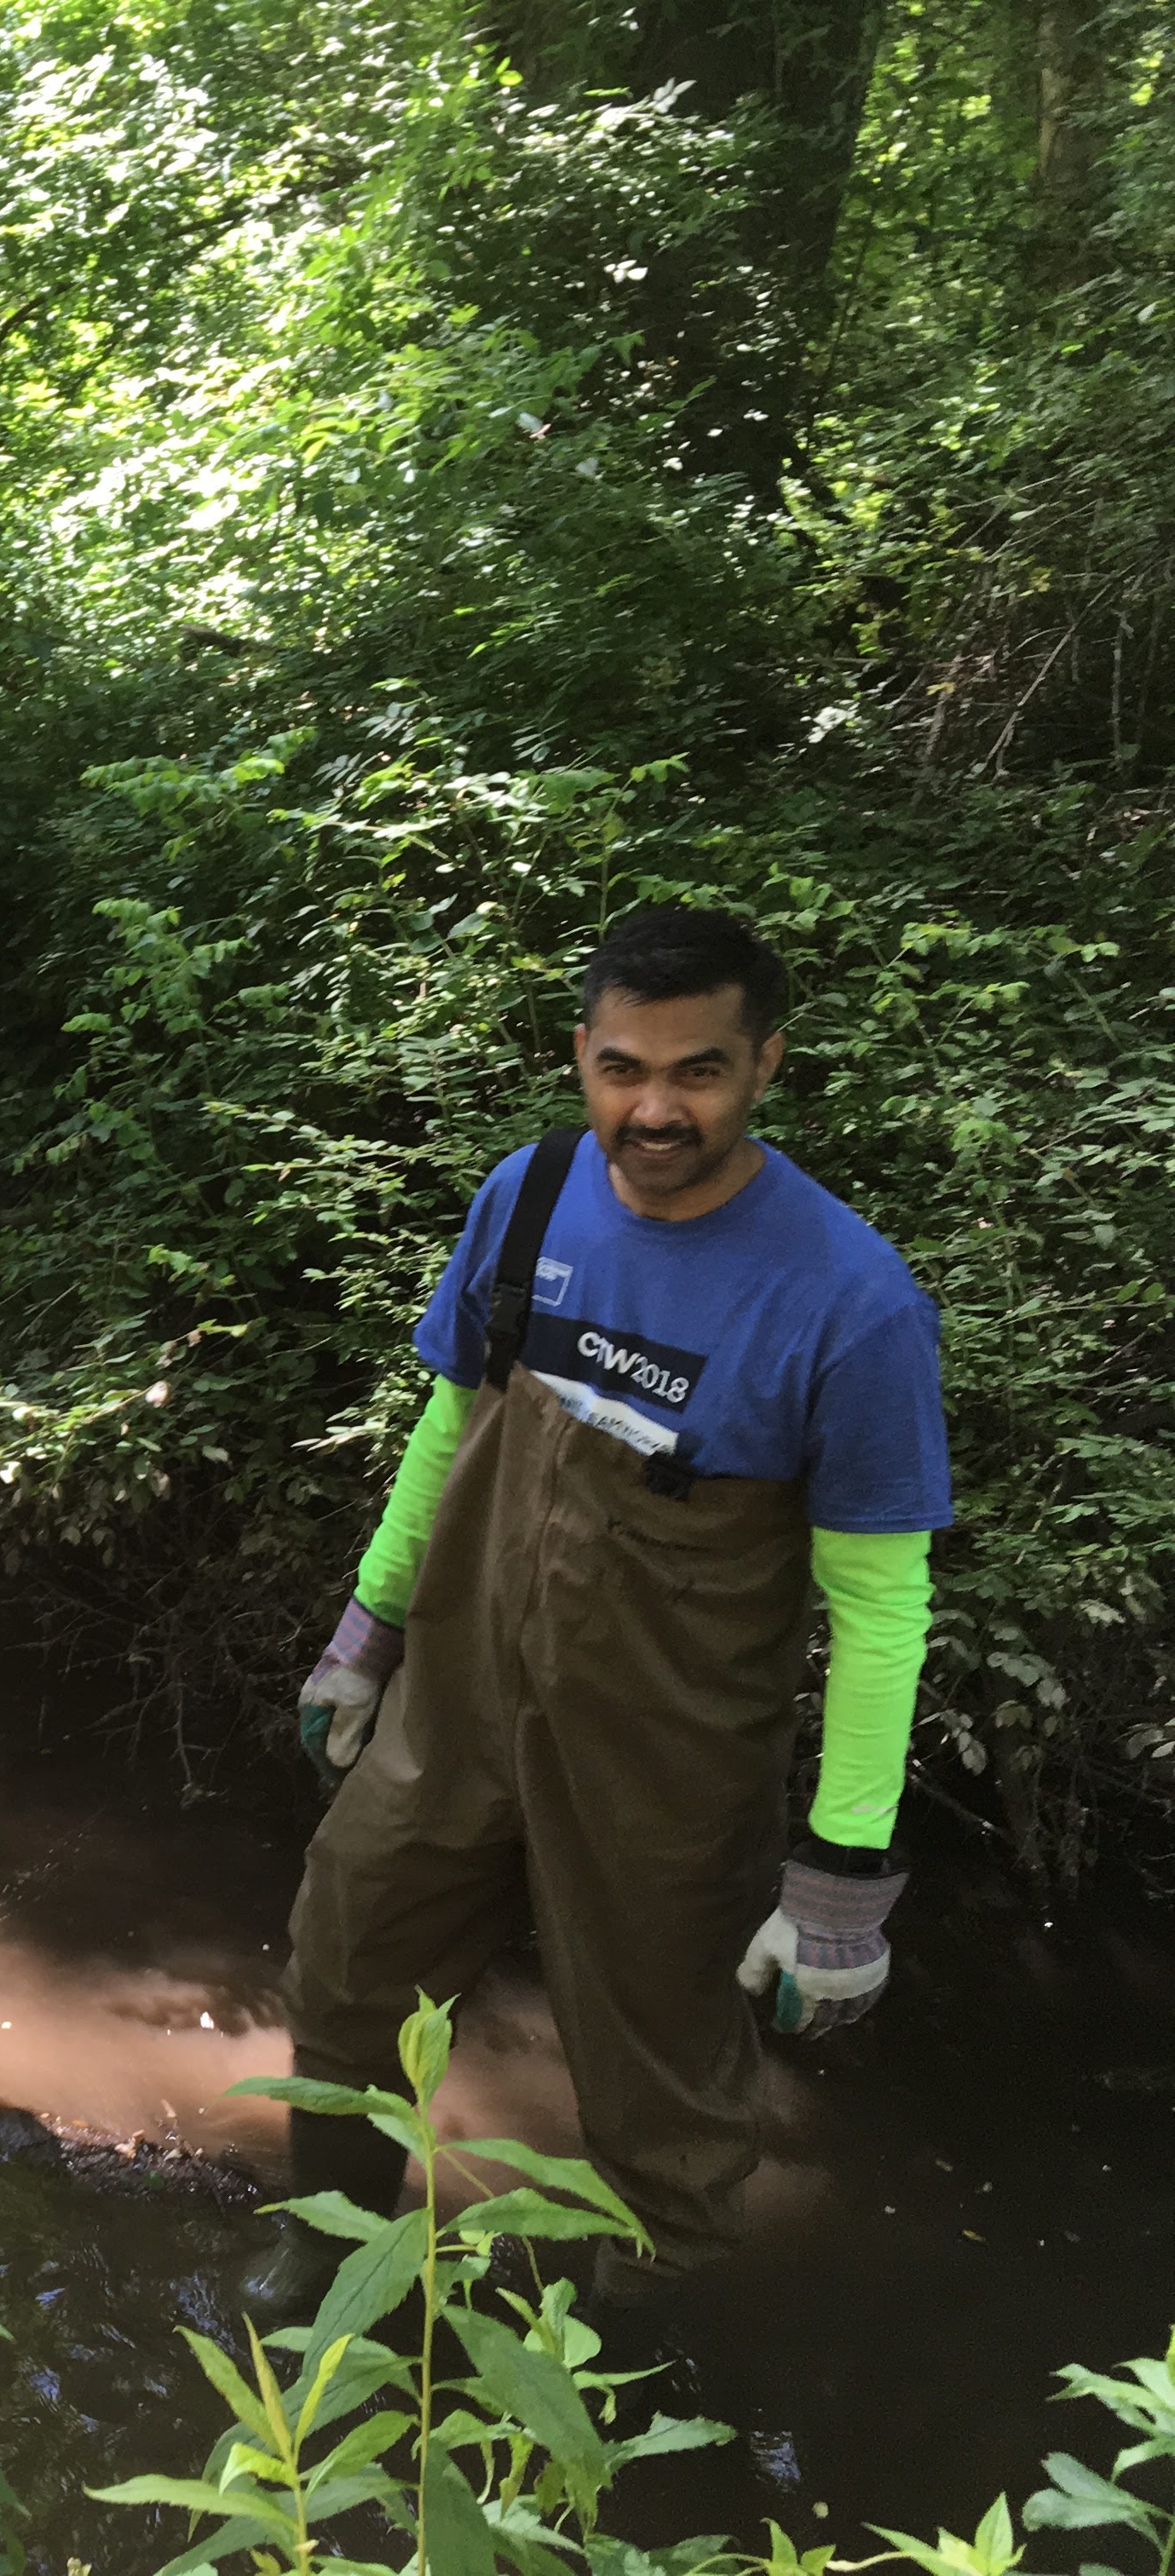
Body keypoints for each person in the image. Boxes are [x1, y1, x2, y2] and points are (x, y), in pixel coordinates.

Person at [274, 905, 949, 2297]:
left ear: (762, 1061)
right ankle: (323, 2263)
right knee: (347, 1960)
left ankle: (632, 2407)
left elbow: (881, 1607)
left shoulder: (849, 1301)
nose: (652, 1108)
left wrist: (837, 1884)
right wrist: (366, 1631)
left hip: (667, 1759)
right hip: (455, 1699)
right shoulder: (525, 1196)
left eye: (695, 1069)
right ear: (578, 1051)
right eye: (621, 1066)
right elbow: (448, 1425)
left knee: (660, 2093)